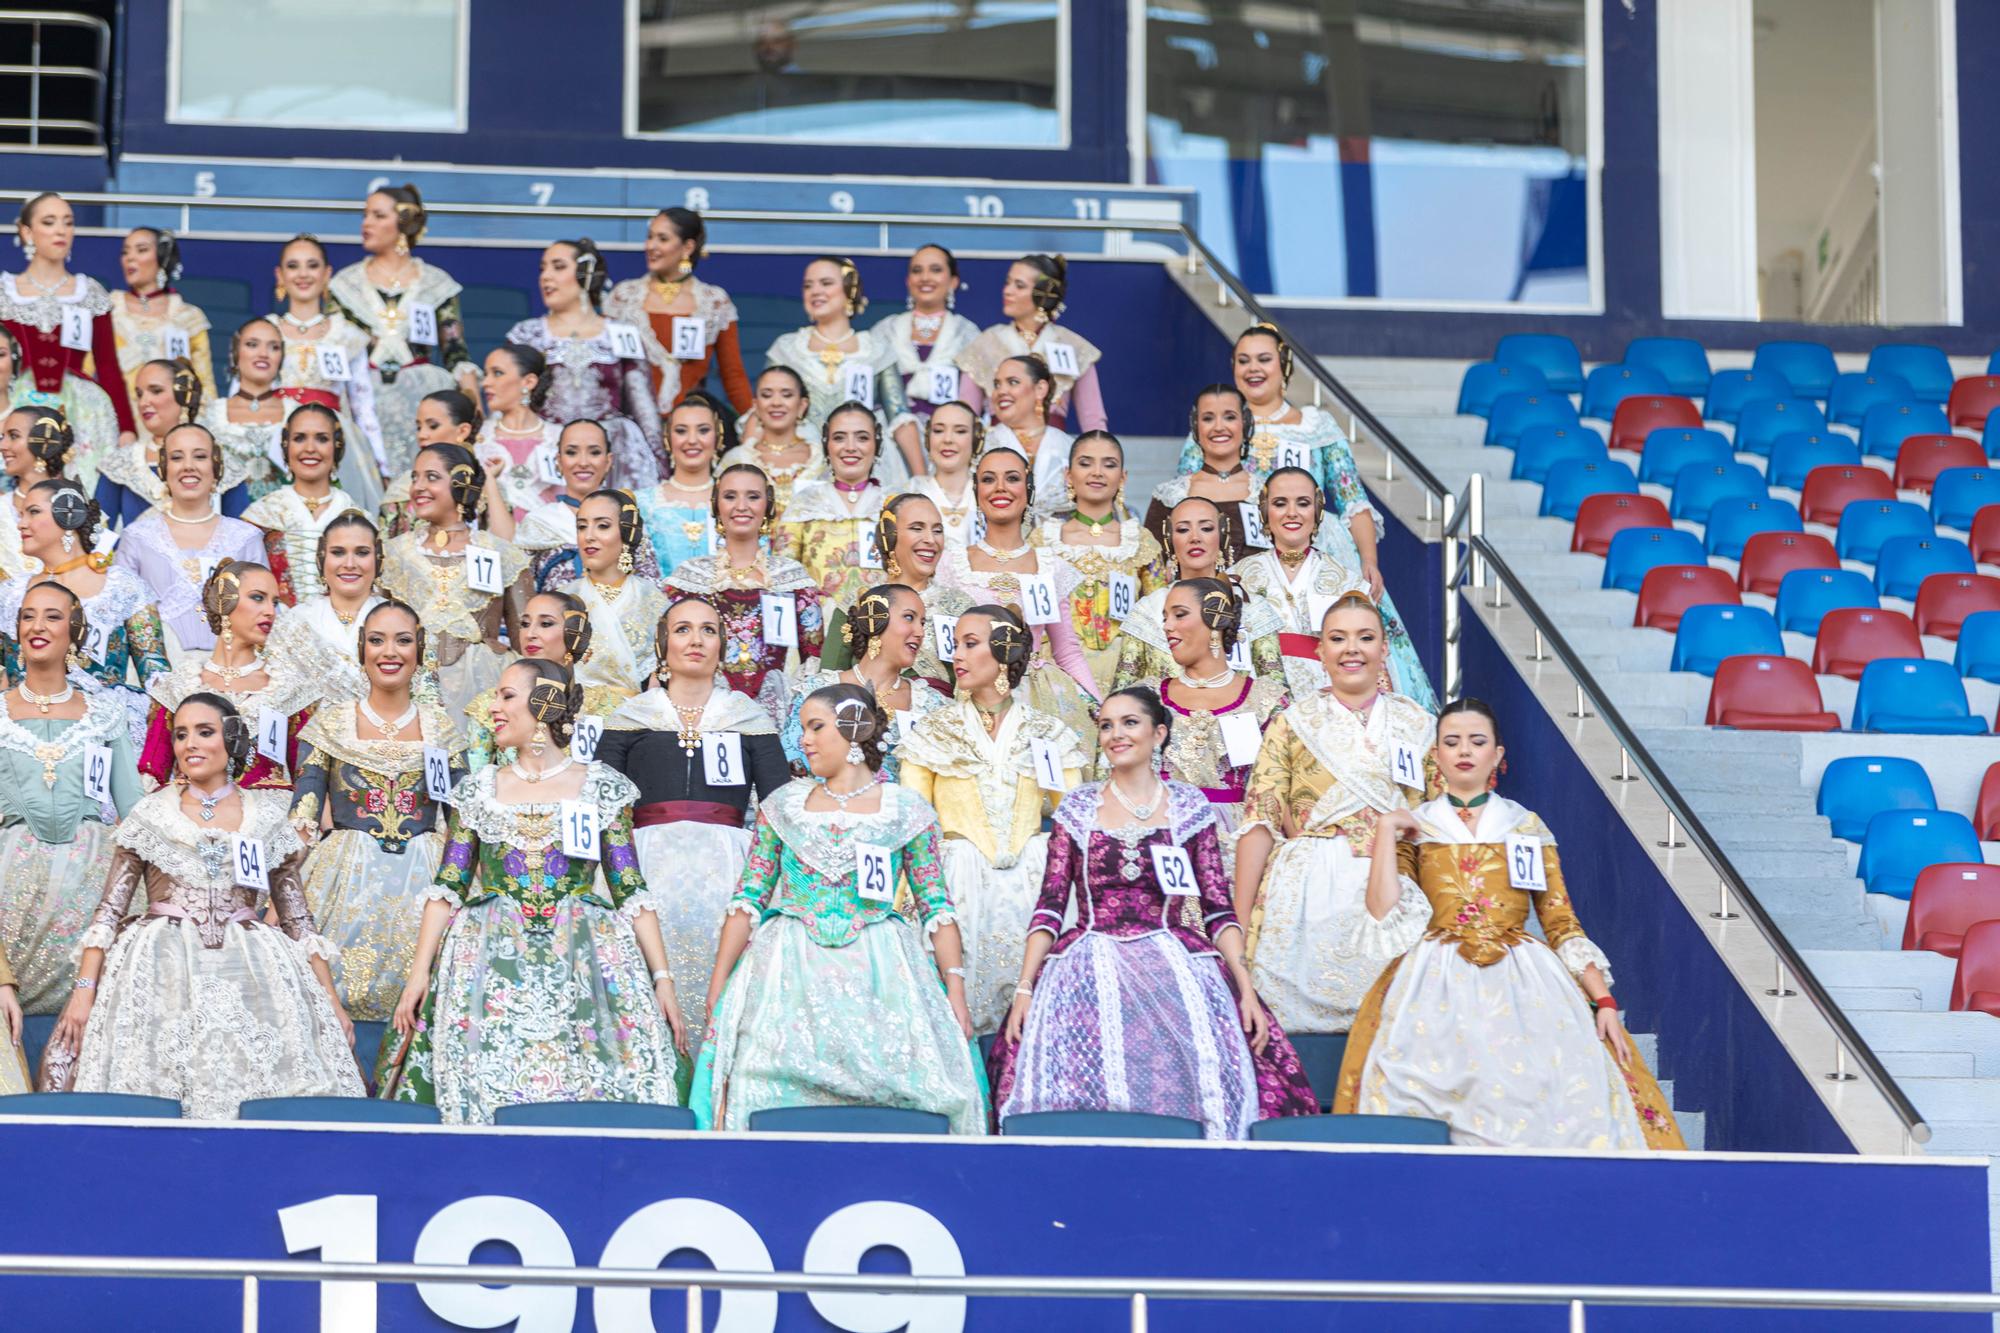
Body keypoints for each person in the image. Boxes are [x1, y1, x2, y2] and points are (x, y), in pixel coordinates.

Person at [1338, 699, 1684, 1150]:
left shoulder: (1524, 826)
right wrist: (1385, 831)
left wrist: (1604, 999)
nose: (1465, 750)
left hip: (1525, 983)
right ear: (1436, 754)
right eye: (1452, 742)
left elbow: (1560, 921)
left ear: (1498, 755)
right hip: (1433, 984)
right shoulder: (1416, 826)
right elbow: (1383, 911)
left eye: (1478, 742)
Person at [990, 687, 1315, 1138]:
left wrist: (1245, 989)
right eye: (1106, 725)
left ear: (1158, 732)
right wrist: (1025, 989)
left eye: (1129, 723)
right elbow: (1049, 906)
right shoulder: (1078, 808)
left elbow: (1218, 910)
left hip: (1175, 965)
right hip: (1086, 966)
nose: (1116, 734)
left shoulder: (1188, 807)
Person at [387, 658, 687, 1122]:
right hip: (487, 960)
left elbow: (630, 888)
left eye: (507, 695)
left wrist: (662, 979)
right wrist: (418, 974)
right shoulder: (479, 790)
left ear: (544, 703)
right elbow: (449, 886)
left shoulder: (600, 787)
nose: (494, 708)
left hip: (584, 961)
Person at [49, 692, 361, 1117]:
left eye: (204, 732)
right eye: (180, 735)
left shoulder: (266, 817)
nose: (189, 744)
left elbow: (298, 920)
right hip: (162, 973)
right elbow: (108, 912)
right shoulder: (150, 814)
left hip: (252, 975)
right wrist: (84, 992)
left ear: (231, 739)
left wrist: (329, 1000)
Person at [691, 683, 985, 1132]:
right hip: (787, 971)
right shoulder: (783, 806)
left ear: (852, 729)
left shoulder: (906, 810)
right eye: (804, 728)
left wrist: (956, 994)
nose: (804, 739)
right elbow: (748, 897)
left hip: (882, 971)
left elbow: (936, 907)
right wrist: (719, 983)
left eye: (815, 727)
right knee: (764, 1083)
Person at [1233, 593, 1436, 1034]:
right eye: (1337, 638)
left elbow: (1437, 820)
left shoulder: (1419, 723)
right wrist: (1241, 920)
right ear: (1319, 651)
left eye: (1365, 638)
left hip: (1396, 881)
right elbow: (1260, 821)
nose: (1352, 649)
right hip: (1309, 886)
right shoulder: (1292, 722)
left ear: (1384, 649)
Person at [597, 596, 790, 1040]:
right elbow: (600, 803)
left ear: (723, 645)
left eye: (708, 630)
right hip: (646, 867)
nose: (696, 640)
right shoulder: (629, 716)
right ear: (663, 644)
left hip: (728, 870)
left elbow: (778, 806)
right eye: (682, 629)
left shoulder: (748, 716)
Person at [291, 599, 465, 1065]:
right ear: (361, 649)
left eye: (403, 640)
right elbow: (304, 817)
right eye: (377, 640)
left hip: (424, 880)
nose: (390, 651)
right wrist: (277, 893)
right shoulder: (329, 723)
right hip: (344, 882)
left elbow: (463, 824)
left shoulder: (444, 731)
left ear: (421, 651)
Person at [900, 606, 1084, 1034]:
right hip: (956, 882)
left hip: (1030, 883)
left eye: (970, 643)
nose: (957, 655)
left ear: (1003, 651)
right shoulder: (932, 732)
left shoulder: (1047, 732)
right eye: (955, 644)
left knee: (1039, 1021)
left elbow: (1074, 816)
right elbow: (912, 823)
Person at [0, 581, 143, 1013]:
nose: (37, 626)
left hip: (91, 884)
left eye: (52, 616)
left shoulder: (104, 715)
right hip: (11, 887)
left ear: (75, 630)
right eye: (27, 616)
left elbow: (134, 814)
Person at [1177, 325, 1390, 597]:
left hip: (1321, 551)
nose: (1253, 368)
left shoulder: (1317, 425)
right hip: (1240, 553)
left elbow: (1353, 500)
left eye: (1263, 359)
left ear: (1284, 364)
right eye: (1244, 361)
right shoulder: (1215, 429)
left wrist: (1368, 561)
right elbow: (1187, 502)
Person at [936, 442, 1101, 749]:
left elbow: (1067, 652)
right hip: (968, 700)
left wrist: (1100, 708)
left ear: (1028, 491)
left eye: (1012, 478)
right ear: (976, 492)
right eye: (988, 479)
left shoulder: (1050, 566)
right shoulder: (952, 564)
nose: (1000, 488)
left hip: (1035, 698)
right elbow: (945, 650)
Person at [1230, 465, 1434, 708]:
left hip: (1331, 707)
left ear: (1317, 511)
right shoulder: (1237, 578)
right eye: (1280, 503)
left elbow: (1370, 662)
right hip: (1257, 705)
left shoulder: (1348, 583)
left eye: (1303, 503)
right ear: (1264, 511)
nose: (1292, 513)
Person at [139, 560, 351, 792]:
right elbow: (152, 774)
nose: (270, 611)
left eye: (275, 602)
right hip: (190, 818)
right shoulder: (177, 687)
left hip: (268, 822)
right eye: (258, 598)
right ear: (224, 601)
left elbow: (308, 779)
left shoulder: (290, 689)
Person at [327, 183, 480, 488]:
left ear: (404, 223)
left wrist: (471, 391)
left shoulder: (437, 283)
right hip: (363, 402)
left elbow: (455, 351)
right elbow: (334, 351)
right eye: (365, 215)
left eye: (377, 215)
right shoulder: (344, 284)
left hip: (421, 400)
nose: (365, 223)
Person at [0, 480, 169, 732]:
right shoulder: (10, 593)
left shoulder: (123, 587)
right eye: (21, 514)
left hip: (102, 735)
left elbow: (157, 676)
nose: (21, 524)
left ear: (69, 514)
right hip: (24, 734)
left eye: (33, 512)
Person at [378, 444, 532, 718]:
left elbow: (529, 641)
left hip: (485, 692)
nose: (418, 487)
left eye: (431, 477)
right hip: (410, 688)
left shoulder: (499, 553)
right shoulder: (393, 553)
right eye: (415, 477)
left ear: (462, 482)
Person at [666, 463, 823, 720]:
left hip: (776, 717)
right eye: (730, 496)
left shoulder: (792, 579)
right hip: (704, 712)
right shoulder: (688, 580)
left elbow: (813, 662)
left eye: (753, 496)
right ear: (716, 505)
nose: (742, 506)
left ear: (768, 505)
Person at [505, 238, 665, 487]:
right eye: (542, 268)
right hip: (547, 456)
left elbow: (644, 411)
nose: (546, 277)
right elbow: (508, 406)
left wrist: (661, 472)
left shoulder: (620, 334)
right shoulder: (526, 335)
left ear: (586, 273)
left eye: (558, 267)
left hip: (611, 457)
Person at [1154, 578, 1290, 870]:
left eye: (1179, 614)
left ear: (1214, 618)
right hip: (1159, 845)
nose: (1167, 626)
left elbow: (1283, 792)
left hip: (1240, 851)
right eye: (1164, 617)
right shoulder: (1149, 698)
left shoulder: (1265, 701)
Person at [2, 192, 133, 493]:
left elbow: (108, 366)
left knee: (80, 497)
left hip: (82, 412)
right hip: (16, 407)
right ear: (26, 231)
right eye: (49, 222)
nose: (61, 230)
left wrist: (126, 427)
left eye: (68, 222)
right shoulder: (4, 293)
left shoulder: (90, 293)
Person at [111, 424, 269, 662]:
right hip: (158, 675)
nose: (188, 466)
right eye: (176, 457)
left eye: (200, 456)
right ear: (164, 469)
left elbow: (263, 612)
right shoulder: (137, 537)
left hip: (232, 671)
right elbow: (121, 614)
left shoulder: (246, 538)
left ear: (216, 467)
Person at [759, 257, 918, 479]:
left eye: (825, 283)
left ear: (849, 290)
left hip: (864, 464)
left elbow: (899, 416)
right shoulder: (786, 349)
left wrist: (921, 479)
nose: (815, 291)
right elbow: (761, 414)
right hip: (801, 464)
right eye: (808, 285)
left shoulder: (876, 350)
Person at [1038, 430, 1167, 694]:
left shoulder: (1141, 542)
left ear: (1123, 478)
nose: (1097, 472)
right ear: (1068, 474)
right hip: (1058, 672)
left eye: (1109, 464)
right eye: (1085, 463)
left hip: (1128, 672)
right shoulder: (1043, 540)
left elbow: (1159, 616)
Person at [782, 582, 950, 781]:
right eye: (908, 617)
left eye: (922, 623)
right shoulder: (816, 691)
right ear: (875, 620)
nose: (920, 632)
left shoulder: (930, 704)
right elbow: (791, 769)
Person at [1111, 495, 1282, 691]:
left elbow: (1276, 693)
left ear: (1223, 536)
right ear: (1169, 541)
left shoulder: (1253, 607)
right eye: (1183, 529)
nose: (1195, 538)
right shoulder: (1148, 610)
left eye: (1206, 528)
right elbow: (1121, 694)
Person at [271, 234, 387, 512]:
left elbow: (363, 405)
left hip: (331, 437)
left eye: (312, 266)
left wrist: (381, 463)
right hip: (273, 437)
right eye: (293, 266)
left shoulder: (346, 334)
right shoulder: (264, 330)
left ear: (326, 274)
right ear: (280, 274)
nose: (302, 274)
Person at [817, 492, 970, 695]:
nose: (930, 540)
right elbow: (828, 681)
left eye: (938, 530)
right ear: (890, 535)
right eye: (917, 528)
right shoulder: (859, 601)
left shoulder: (960, 607)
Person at [604, 206, 752, 413]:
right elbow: (604, 369)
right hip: (631, 423)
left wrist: (756, 425)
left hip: (689, 428)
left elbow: (733, 375)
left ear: (687, 247)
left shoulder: (714, 303)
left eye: (662, 239)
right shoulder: (624, 297)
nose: (651, 246)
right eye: (649, 237)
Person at [460, 590, 611, 772]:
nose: (529, 633)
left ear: (576, 633)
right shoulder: (489, 706)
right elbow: (476, 783)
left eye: (545, 624)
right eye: (524, 624)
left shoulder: (605, 706)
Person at [959, 254, 1105, 433]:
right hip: (997, 453)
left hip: (1055, 453)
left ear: (1045, 294)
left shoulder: (1073, 346)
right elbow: (964, 417)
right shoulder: (986, 343)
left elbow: (1093, 422)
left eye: (1019, 285)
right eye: (1008, 283)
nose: (1007, 291)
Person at [241, 403, 364, 603]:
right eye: (299, 438)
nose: (310, 448)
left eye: (322, 439)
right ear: (286, 447)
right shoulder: (260, 516)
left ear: (337, 446)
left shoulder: (356, 517)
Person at [95, 359, 234, 530]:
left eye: (156, 391)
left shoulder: (222, 462)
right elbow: (97, 536)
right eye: (139, 394)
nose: (143, 402)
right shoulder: (119, 464)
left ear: (185, 394)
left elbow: (240, 537)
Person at [776, 400, 892, 602]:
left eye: (862, 438)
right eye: (839, 438)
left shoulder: (895, 504)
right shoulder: (804, 502)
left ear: (877, 443)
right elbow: (781, 579)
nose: (850, 447)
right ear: (826, 444)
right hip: (820, 627)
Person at [564, 489, 670, 706]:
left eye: (602, 525)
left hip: (636, 723)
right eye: (582, 526)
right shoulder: (562, 599)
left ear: (626, 533)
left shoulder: (652, 601)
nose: (589, 536)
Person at [1145, 384, 1262, 562]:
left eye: (1229, 417)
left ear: (1245, 423)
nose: (1219, 427)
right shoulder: (1169, 496)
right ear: (1195, 425)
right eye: (1208, 418)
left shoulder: (1266, 494)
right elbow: (1152, 568)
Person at [108, 228, 216, 413]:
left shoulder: (187, 317)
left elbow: (203, 380)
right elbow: (88, 370)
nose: (130, 258)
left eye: (141, 250)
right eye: (125, 252)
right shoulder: (109, 309)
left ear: (162, 257)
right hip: (117, 418)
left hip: (172, 420)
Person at [506, 418, 619, 590]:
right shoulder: (538, 523)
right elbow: (519, 593)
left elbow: (647, 592)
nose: (583, 462)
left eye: (594, 452)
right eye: (572, 452)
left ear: (608, 461)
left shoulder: (626, 521)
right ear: (558, 461)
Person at [876, 244, 980, 427]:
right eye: (917, 271)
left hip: (949, 438)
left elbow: (972, 405)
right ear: (908, 281)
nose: (925, 278)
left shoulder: (966, 333)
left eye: (936, 270)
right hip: (891, 435)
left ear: (953, 281)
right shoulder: (886, 330)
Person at [196, 318, 295, 504]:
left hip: (286, 525)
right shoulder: (209, 414)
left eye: (274, 347)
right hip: (227, 523)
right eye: (252, 345)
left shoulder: (296, 414)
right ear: (235, 352)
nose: (263, 353)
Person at [634, 396, 725, 573]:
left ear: (718, 437)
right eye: (681, 431)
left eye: (703, 430)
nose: (692, 440)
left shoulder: (737, 503)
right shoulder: (641, 503)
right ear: (668, 438)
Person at [471, 343, 560, 523]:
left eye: (497, 373)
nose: (485, 383)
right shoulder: (477, 439)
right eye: (485, 374)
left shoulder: (560, 438)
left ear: (528, 382)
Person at [377, 388, 481, 540]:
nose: (421, 435)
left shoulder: (484, 486)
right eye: (419, 427)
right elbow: (384, 550)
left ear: (462, 431)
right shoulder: (401, 489)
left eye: (433, 426)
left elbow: (503, 546)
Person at [716, 365, 815, 521]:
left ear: (802, 405)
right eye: (767, 395)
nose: (776, 402)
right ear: (756, 405)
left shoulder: (820, 459)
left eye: (786, 395)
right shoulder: (737, 458)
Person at [285, 510, 384, 661]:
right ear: (321, 557)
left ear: (378, 558)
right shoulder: (296, 619)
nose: (349, 564)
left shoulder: (400, 619)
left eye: (362, 553)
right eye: (338, 552)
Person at [981, 355, 1073, 517]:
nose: (1001, 391)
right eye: (997, 384)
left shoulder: (1068, 447)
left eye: (1013, 382)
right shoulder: (982, 445)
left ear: (1040, 389)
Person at [0, 405, 77, 581]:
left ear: (44, 442)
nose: (2, 446)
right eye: (2, 437)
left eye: (13, 436)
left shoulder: (78, 509)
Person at [900, 399, 982, 548]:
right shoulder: (910, 492)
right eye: (938, 430)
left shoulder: (988, 492)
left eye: (960, 431)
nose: (948, 439)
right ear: (927, 438)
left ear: (976, 439)